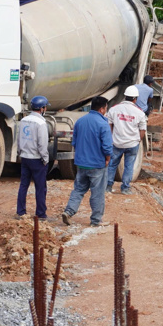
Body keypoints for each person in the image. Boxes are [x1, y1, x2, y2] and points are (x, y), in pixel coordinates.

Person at [61, 96, 113, 228]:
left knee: (78, 189)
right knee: (97, 193)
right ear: (102, 109)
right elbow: (107, 147)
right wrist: (107, 159)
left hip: (81, 163)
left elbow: (74, 142)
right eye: (106, 108)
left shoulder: (80, 121)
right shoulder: (103, 124)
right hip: (97, 164)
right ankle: (96, 220)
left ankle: (68, 211)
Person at [106, 86, 147, 195]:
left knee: (112, 165)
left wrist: (111, 138)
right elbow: (142, 130)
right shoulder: (140, 113)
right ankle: (125, 188)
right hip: (132, 144)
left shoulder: (114, 109)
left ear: (125, 96)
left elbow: (109, 125)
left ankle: (108, 186)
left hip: (116, 143)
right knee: (129, 166)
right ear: (135, 99)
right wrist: (138, 140)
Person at [16, 96, 49, 220]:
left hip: (25, 157)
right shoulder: (41, 123)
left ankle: (21, 212)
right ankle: (40, 214)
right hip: (36, 159)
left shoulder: (24, 120)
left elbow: (19, 139)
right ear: (41, 109)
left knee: (23, 185)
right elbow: (42, 144)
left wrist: (20, 152)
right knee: (40, 187)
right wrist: (45, 159)